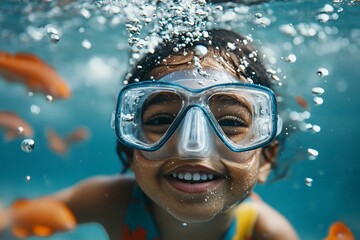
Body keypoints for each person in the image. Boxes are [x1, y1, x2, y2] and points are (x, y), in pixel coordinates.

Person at [0, 29, 298, 240]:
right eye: (164, 119)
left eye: (231, 122)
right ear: (131, 149)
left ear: (266, 157)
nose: (192, 147)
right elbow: (14, 219)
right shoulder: (111, 200)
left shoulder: (268, 233)